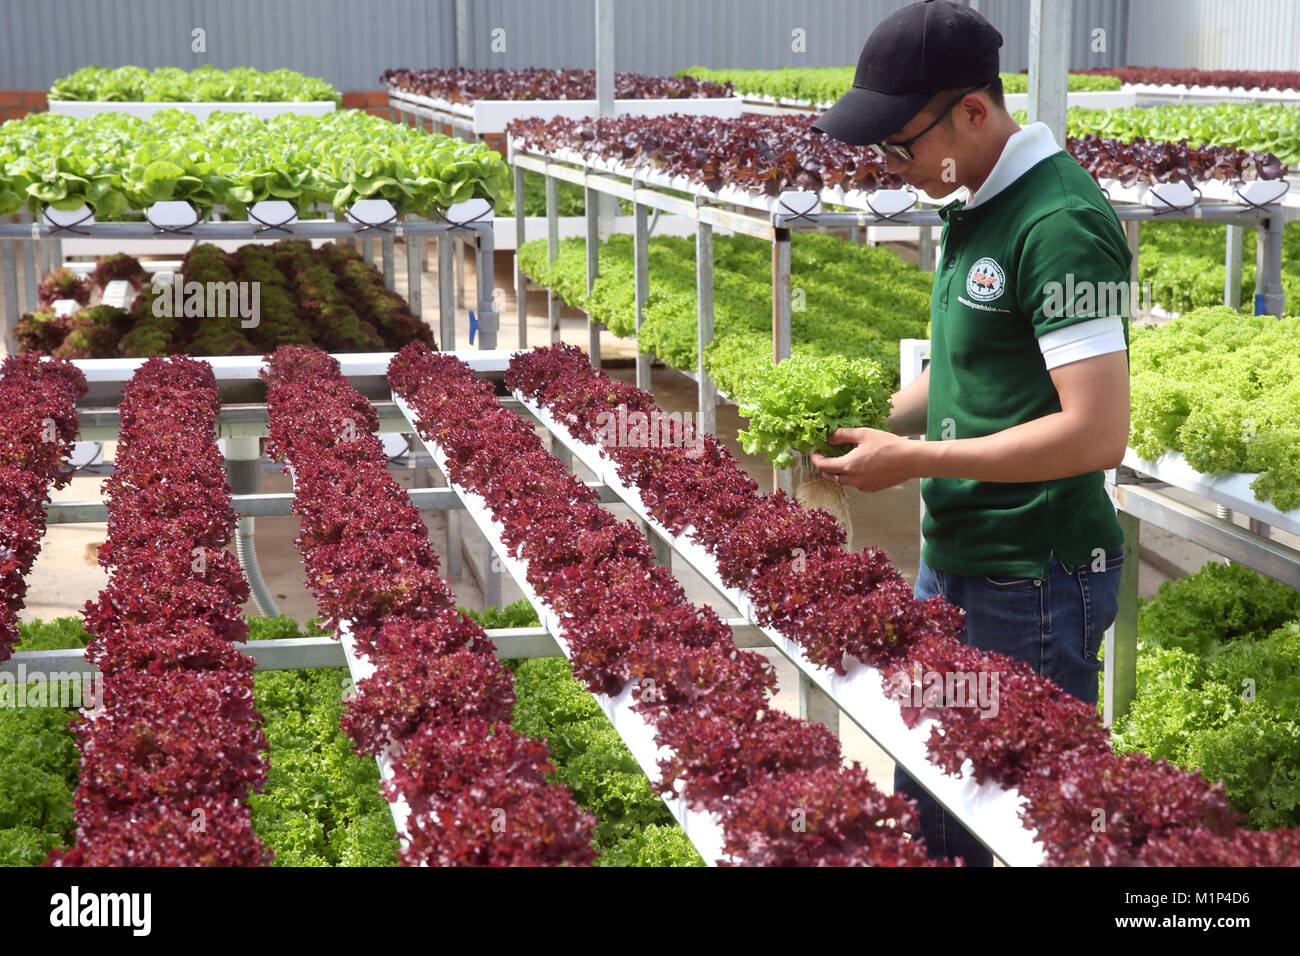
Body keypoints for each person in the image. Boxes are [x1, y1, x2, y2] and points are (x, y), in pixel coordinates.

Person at [808, 0, 1130, 866]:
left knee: (1024, 824)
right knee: (937, 806)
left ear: (975, 112)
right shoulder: (973, 199)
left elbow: (1097, 433)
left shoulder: (1058, 224)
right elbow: (966, 372)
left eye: (900, 145)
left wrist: (914, 460)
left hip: (1033, 580)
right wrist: (875, 423)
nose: (891, 165)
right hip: (955, 559)